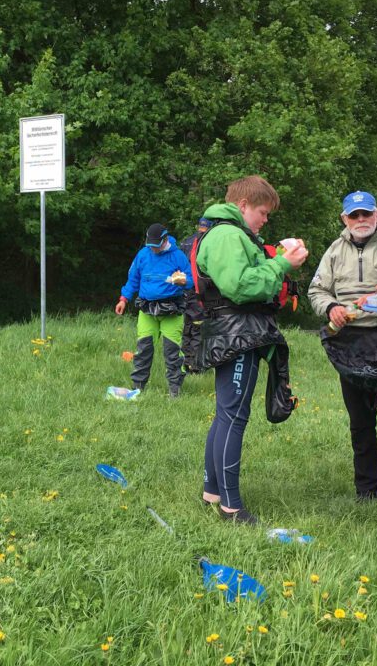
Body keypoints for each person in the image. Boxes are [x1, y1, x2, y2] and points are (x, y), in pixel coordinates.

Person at [193, 176, 308, 525]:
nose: (265, 219)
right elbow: (241, 286)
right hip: (236, 333)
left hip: (233, 331)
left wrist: (275, 258)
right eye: (262, 212)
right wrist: (283, 265)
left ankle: (212, 491)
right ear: (243, 206)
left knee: (225, 412)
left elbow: (248, 274)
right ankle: (231, 507)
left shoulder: (231, 233)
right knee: (234, 416)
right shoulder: (228, 235)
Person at [308, 191, 377, 501]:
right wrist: (331, 309)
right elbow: (316, 290)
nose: (360, 220)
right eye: (354, 216)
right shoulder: (334, 251)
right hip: (349, 344)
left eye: (366, 214)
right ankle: (367, 493)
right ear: (345, 219)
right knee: (360, 424)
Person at [115, 223, 194, 397]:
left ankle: (175, 389)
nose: (153, 250)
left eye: (156, 246)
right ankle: (138, 387)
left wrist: (182, 280)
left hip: (172, 310)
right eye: (150, 246)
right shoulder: (143, 255)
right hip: (147, 309)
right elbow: (133, 279)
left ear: (165, 240)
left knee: (171, 351)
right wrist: (123, 299)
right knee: (143, 349)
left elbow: (191, 281)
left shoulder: (178, 256)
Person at [178, 218, 213, 373]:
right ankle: (195, 365)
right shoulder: (209, 243)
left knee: (187, 326)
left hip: (184, 290)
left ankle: (185, 360)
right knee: (199, 326)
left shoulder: (186, 242)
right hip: (200, 291)